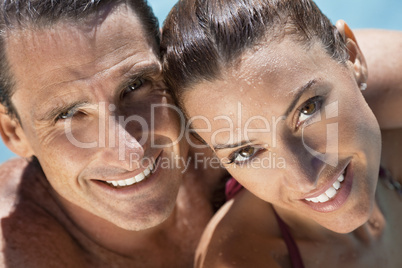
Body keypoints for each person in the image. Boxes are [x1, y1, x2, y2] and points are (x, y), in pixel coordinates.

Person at [161, 0, 402, 267]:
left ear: (351, 57)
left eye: (308, 109)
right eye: (246, 152)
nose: (305, 180)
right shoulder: (238, 260)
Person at [0, 0, 228, 267]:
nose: (129, 153)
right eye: (68, 114)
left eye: (135, 85)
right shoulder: (16, 254)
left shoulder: (230, 146)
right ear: (14, 132)